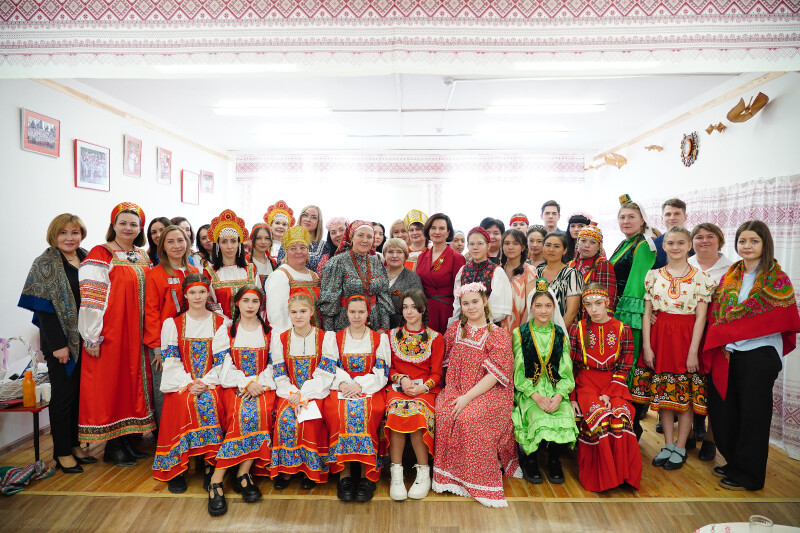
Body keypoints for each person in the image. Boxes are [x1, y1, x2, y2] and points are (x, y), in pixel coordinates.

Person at [703, 220, 800, 491]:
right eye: (742, 241)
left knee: (753, 417)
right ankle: (735, 463)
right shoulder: (730, 276)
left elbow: (779, 317)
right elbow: (717, 311)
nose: (747, 246)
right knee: (725, 411)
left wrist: (732, 329)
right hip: (728, 352)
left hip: (759, 355)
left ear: (764, 244)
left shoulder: (776, 278)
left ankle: (750, 475)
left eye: (754, 241)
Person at [78, 202, 155, 466]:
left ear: (140, 228)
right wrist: (91, 335)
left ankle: (126, 442)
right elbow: (92, 297)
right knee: (112, 386)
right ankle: (113, 447)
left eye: (134, 224)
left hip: (137, 332)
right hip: (111, 331)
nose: (128, 228)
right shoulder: (101, 253)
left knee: (131, 385)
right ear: (113, 225)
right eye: (123, 223)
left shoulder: (142, 256)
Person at [432, 282, 520, 507]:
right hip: (457, 387)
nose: (471, 307)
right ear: (460, 306)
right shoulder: (455, 330)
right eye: (465, 303)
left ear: (484, 302)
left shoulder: (497, 334)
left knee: (469, 418)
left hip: (490, 392)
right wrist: (454, 392)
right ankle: (451, 476)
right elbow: (444, 363)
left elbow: (494, 376)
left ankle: (477, 479)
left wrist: (467, 397)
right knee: (444, 414)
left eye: (475, 302)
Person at [19, 213, 94, 473]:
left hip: (86, 338)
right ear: (54, 235)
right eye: (63, 233)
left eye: (74, 232)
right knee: (63, 397)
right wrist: (59, 345)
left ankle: (74, 444)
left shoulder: (87, 258)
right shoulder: (45, 264)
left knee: (78, 395)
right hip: (61, 342)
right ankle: (61, 452)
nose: (69, 238)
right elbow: (44, 310)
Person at [641, 226, 715, 471]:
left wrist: (693, 351)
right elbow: (647, 314)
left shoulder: (701, 278)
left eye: (680, 243)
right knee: (665, 395)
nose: (675, 247)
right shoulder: (653, 276)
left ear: (689, 246)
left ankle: (681, 446)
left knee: (685, 395)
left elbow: (701, 317)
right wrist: (647, 346)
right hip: (660, 338)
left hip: (686, 338)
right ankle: (668, 444)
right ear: (663, 246)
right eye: (670, 243)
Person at [152, 274, 226, 495]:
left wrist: (205, 382)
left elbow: (223, 361)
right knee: (182, 402)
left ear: (208, 293)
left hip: (212, 381)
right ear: (185, 295)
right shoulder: (174, 324)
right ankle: (177, 466)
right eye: (192, 292)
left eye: (202, 292)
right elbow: (171, 361)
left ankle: (210, 463)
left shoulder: (221, 323)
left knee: (210, 400)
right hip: (182, 382)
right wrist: (188, 383)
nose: (197, 296)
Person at [207, 285, 275, 516]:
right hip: (234, 386)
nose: (250, 306)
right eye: (245, 301)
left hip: (263, 387)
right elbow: (222, 367)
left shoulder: (269, 332)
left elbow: (274, 365)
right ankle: (218, 478)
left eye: (254, 301)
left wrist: (258, 384)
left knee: (262, 411)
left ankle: (242, 473)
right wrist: (246, 383)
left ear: (260, 305)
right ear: (237, 303)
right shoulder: (226, 331)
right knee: (240, 412)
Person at [568, 284, 641, 492]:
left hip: (614, 384)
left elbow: (625, 365)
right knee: (601, 418)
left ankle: (624, 476)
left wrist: (609, 393)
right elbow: (570, 366)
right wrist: (572, 397)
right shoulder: (577, 328)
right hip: (585, 383)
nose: (594, 309)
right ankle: (602, 479)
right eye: (588, 305)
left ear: (607, 302)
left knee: (621, 417)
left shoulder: (623, 329)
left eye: (598, 303)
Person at [324, 295, 390, 502]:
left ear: (368, 313)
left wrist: (360, 385)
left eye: (361, 312)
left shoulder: (379, 339)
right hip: (341, 388)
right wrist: (344, 384)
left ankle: (366, 473)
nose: (357, 316)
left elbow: (382, 372)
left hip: (370, 388)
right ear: (346, 313)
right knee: (336, 411)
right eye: (352, 312)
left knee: (369, 412)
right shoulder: (334, 338)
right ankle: (343, 474)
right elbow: (329, 367)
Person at [270, 290, 338, 490]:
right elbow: (279, 374)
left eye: (302, 311)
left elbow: (326, 373)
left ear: (311, 313)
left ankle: (310, 468)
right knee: (285, 419)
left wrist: (303, 394)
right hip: (288, 393)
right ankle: (287, 469)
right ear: (289, 314)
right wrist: (294, 395)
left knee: (309, 420)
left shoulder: (325, 337)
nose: (298, 316)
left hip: (316, 393)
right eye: (294, 312)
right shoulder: (281, 339)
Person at [512, 279, 578, 484]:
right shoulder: (520, 334)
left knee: (564, 413)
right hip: (530, 391)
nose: (543, 310)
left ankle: (554, 458)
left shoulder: (560, 335)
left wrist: (558, 397)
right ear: (531, 307)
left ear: (554, 308)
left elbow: (566, 372)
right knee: (535, 413)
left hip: (555, 389)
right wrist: (536, 396)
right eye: (538, 305)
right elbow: (518, 372)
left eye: (548, 306)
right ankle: (530, 458)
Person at [385, 289, 444, 501]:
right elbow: (388, 368)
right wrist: (401, 379)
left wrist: (422, 388)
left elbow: (437, 374)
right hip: (398, 389)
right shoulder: (392, 336)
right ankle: (396, 473)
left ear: (423, 309)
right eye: (405, 307)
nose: (409, 312)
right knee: (396, 412)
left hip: (424, 391)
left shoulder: (435, 338)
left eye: (413, 307)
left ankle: (423, 472)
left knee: (418, 414)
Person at [609, 194, 657, 436]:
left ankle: (631, 424)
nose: (626, 221)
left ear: (642, 220)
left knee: (629, 366)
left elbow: (638, 284)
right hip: (616, 310)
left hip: (631, 314)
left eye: (631, 217)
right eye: (622, 217)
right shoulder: (624, 243)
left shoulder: (644, 245)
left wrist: (623, 316)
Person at [144, 225, 200, 428]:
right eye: (170, 242)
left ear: (187, 243)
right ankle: (166, 434)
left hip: (193, 339)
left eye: (180, 240)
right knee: (166, 388)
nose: (176, 246)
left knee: (191, 385)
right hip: (165, 343)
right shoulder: (155, 275)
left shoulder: (194, 271)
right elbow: (151, 312)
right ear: (163, 246)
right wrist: (156, 347)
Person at [688, 222, 734, 461]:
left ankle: (711, 439)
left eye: (710, 236)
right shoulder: (684, 264)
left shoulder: (732, 269)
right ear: (692, 241)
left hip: (717, 335)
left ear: (720, 240)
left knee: (715, 387)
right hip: (686, 333)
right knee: (688, 382)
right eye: (699, 237)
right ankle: (687, 432)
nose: (704, 240)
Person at [319, 220, 393, 332]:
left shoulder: (377, 263)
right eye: (360, 235)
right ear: (351, 238)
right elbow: (329, 301)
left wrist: (384, 328)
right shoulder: (337, 262)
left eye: (369, 236)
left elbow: (384, 296)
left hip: (374, 324)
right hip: (345, 325)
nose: (365, 240)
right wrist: (330, 334)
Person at [265, 225, 321, 334]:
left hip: (315, 335)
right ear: (286, 252)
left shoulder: (314, 276)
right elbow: (277, 316)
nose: (298, 252)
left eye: (302, 248)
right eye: (293, 248)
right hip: (293, 337)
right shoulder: (280, 275)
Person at [416, 213, 466, 335]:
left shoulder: (457, 258)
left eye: (442, 228)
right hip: (426, 310)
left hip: (448, 310)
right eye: (433, 228)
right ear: (428, 231)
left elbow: (461, 290)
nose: (437, 232)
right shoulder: (422, 256)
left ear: (448, 233)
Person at [451, 227, 512, 326]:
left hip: (488, 325)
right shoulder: (463, 270)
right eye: (471, 244)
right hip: (465, 324)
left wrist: (481, 322)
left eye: (480, 243)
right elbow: (457, 302)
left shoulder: (496, 271)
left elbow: (498, 308)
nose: (475, 247)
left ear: (488, 246)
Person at [205, 209, 257, 319]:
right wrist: (224, 321)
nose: (229, 246)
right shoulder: (209, 272)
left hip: (249, 324)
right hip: (221, 325)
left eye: (233, 241)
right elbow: (208, 301)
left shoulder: (251, 269)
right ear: (218, 245)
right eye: (224, 242)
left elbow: (259, 299)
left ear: (239, 243)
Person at [568, 223, 616, 321]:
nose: (587, 245)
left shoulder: (602, 264)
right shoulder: (570, 265)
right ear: (577, 242)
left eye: (593, 242)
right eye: (583, 240)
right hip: (570, 318)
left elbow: (607, 299)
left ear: (599, 247)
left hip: (591, 319)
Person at [536, 232, 584, 328]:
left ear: (564, 250)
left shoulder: (572, 274)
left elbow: (572, 312)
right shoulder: (536, 272)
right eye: (548, 245)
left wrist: (556, 333)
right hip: (538, 329)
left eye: (557, 246)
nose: (551, 249)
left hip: (563, 330)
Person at [500, 229, 538, 333]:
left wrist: (520, 330)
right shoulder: (498, 270)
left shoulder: (529, 270)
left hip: (521, 326)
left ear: (523, 247)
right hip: (498, 327)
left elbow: (530, 304)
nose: (510, 247)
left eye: (515, 243)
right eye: (507, 243)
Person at [383, 238, 424, 329]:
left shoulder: (413, 278)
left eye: (399, 252)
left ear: (405, 256)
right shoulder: (378, 275)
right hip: (377, 327)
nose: (394, 255)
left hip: (402, 328)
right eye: (390, 252)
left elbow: (418, 307)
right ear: (384, 254)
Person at [278, 205, 324, 272]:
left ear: (318, 222)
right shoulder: (288, 240)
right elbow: (279, 266)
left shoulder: (325, 246)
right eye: (305, 215)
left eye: (313, 217)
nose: (308, 219)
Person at [652, 198, 693, 269]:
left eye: (677, 214)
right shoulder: (653, 245)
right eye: (668, 214)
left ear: (685, 217)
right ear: (662, 218)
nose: (672, 218)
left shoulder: (696, 241)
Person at [249, 223, 276, 288]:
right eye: (258, 238)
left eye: (267, 238)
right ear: (252, 239)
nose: (263, 242)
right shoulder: (246, 262)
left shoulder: (273, 262)